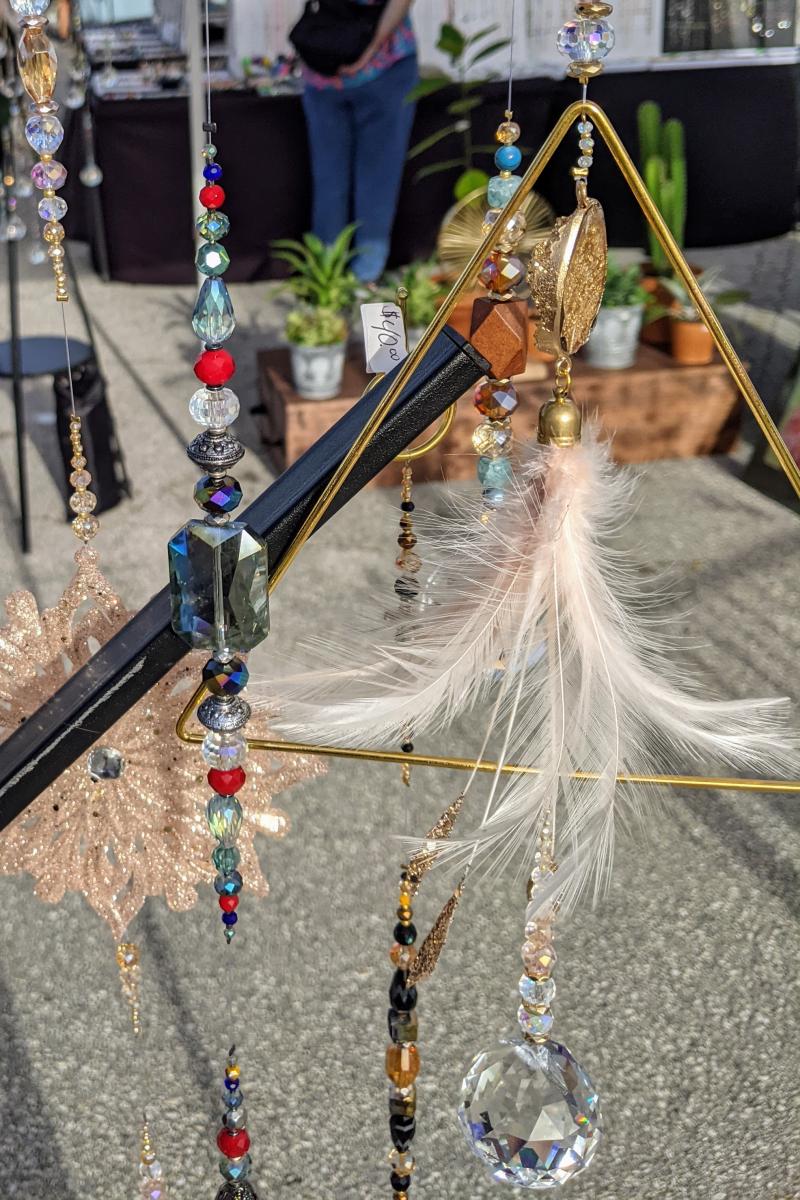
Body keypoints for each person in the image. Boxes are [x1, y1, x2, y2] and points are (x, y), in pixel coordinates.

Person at [300, 0, 418, 285]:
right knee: (376, 179)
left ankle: (327, 278)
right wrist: (370, 47)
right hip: (382, 63)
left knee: (330, 178)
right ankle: (362, 277)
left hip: (326, 64)